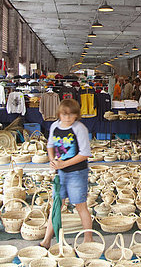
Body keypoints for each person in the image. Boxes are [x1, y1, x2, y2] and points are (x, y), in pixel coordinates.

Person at [40, 99, 93, 248]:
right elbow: (50, 145)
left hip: (77, 173)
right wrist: (53, 162)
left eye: (71, 115)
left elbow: (85, 154)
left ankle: (88, 239)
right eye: (64, 115)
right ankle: (46, 240)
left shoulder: (79, 128)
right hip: (61, 173)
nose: (68, 118)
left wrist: (63, 164)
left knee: (80, 206)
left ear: (77, 115)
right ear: (59, 114)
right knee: (56, 205)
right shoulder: (55, 126)